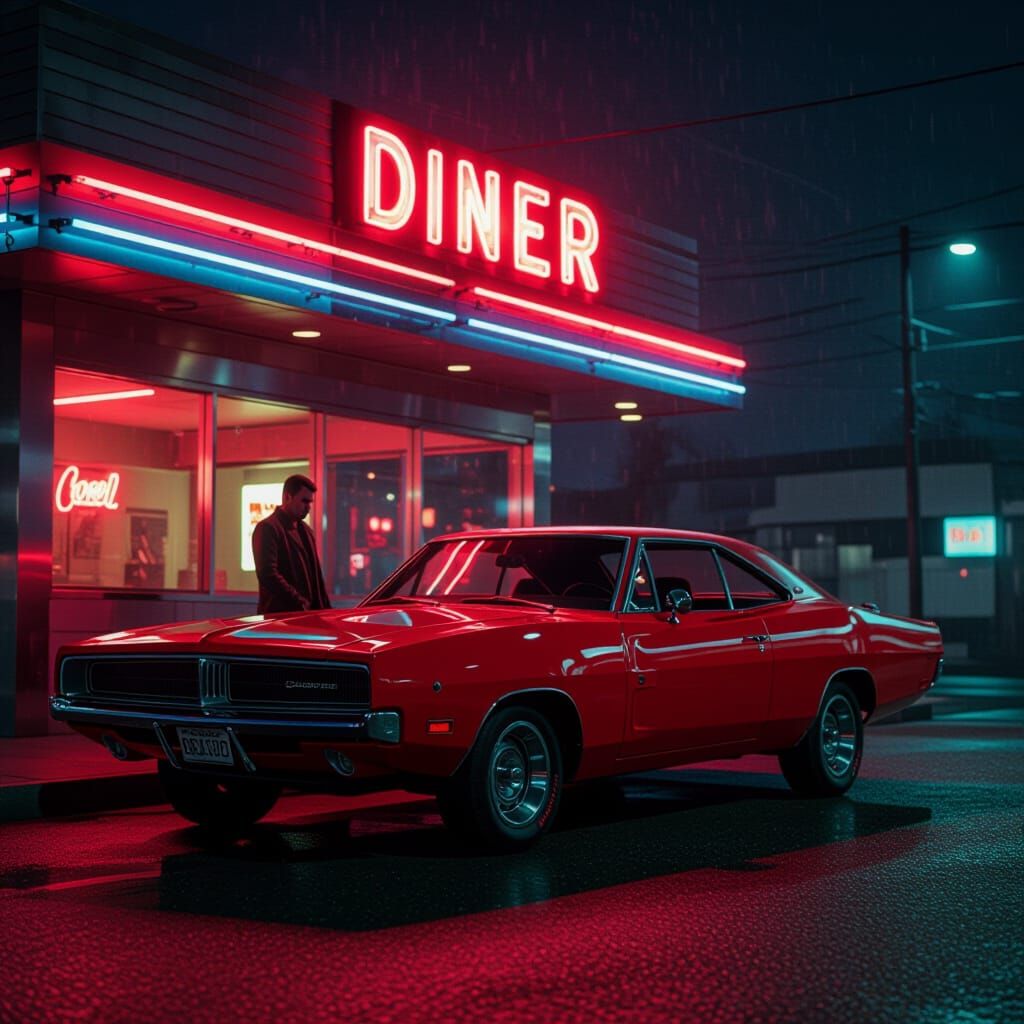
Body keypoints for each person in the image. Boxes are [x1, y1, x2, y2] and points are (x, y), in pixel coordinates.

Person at [252, 473, 331, 614]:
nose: (308, 507)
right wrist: (299, 603)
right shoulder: (268, 528)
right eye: (304, 501)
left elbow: (315, 576)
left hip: (305, 616)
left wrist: (323, 608)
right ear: (288, 497)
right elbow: (268, 574)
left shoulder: (306, 531)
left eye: (310, 502)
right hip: (281, 617)